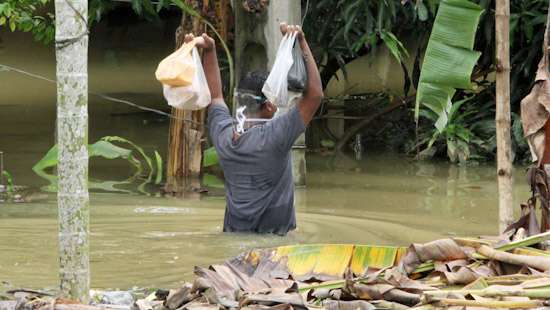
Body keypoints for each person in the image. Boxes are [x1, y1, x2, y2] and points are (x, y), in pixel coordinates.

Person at [185, 24, 323, 235]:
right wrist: (302, 42)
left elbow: (214, 97)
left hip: (233, 238)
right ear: (268, 106)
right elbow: (314, 96)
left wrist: (210, 50)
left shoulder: (225, 137)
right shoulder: (275, 136)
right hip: (274, 245)